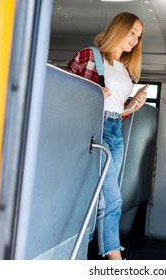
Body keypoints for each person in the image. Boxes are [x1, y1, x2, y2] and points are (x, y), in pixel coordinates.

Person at [66, 12, 147, 260]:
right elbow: (64, 91)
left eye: (139, 36)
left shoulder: (127, 72)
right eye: (132, 32)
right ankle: (116, 263)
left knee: (98, 197)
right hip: (94, 129)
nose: (135, 39)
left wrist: (134, 104)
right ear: (119, 28)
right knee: (112, 199)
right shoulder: (89, 55)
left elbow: (117, 111)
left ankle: (77, 252)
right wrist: (91, 91)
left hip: (115, 132)